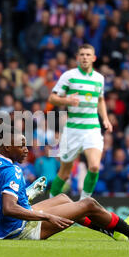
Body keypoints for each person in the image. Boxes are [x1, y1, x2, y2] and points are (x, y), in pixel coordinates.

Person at [0, 117, 129, 242]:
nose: (26, 149)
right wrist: (48, 217)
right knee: (88, 203)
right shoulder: (13, 171)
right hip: (20, 231)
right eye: (21, 145)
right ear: (6, 147)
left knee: (64, 198)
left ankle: (113, 231)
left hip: (2, 229)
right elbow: (9, 208)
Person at [47, 44, 113, 199]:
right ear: (77, 57)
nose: (85, 57)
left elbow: (101, 99)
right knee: (64, 173)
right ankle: (49, 204)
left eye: (88, 54)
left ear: (94, 58)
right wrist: (67, 100)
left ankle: (84, 203)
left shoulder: (99, 79)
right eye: (82, 54)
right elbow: (52, 98)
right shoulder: (69, 76)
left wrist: (105, 119)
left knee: (95, 166)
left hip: (92, 129)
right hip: (73, 129)